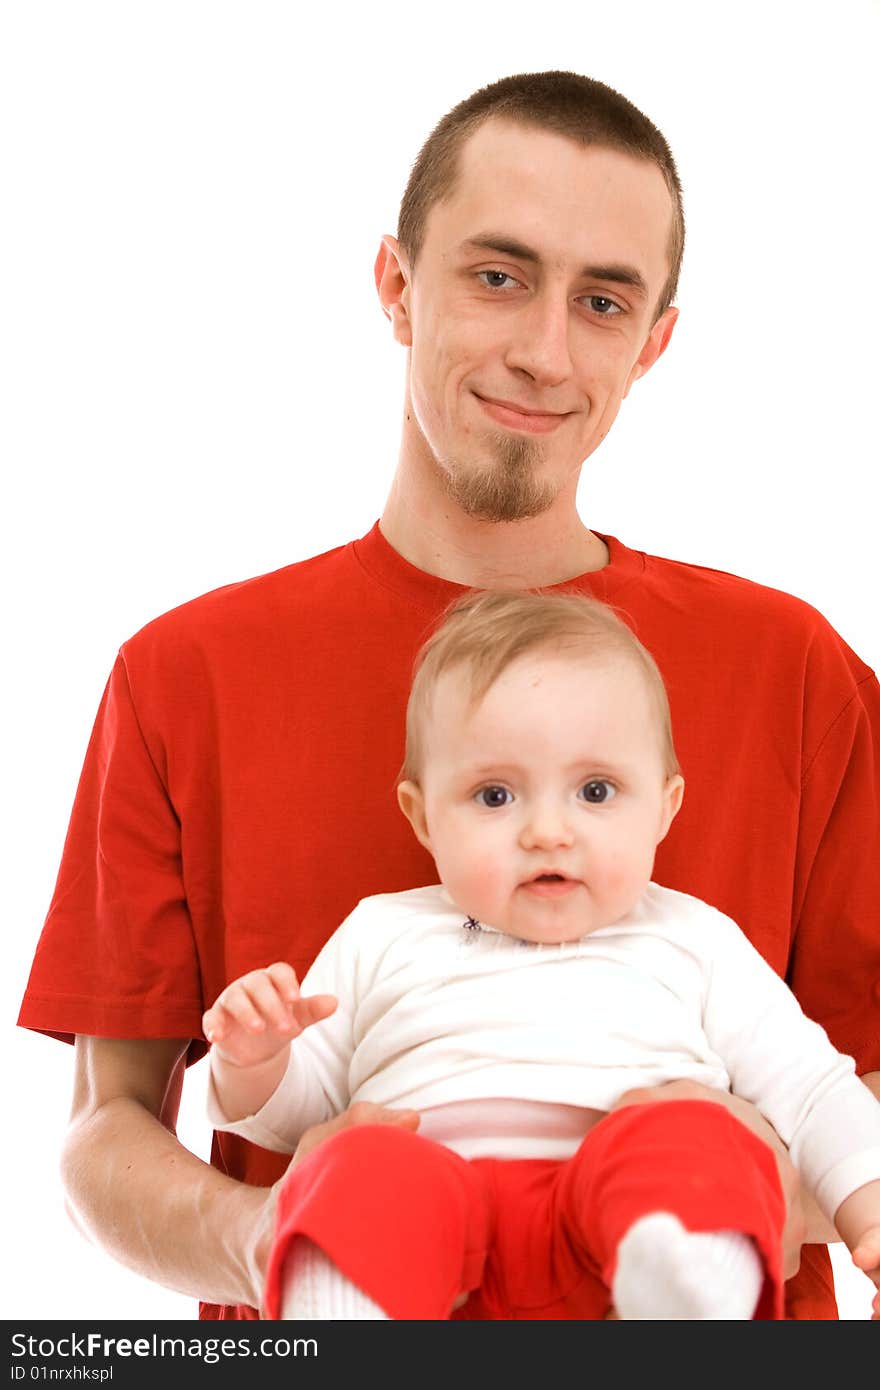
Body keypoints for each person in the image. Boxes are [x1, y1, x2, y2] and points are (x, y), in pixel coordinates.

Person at [17, 70, 880, 1321]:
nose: (542, 350)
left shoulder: (798, 671)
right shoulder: (182, 674)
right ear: (395, 284)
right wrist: (289, 1230)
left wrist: (730, 1186)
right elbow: (105, 1134)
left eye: (601, 300)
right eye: (497, 274)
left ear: (654, 342)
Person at [202, 591, 880, 1321]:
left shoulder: (697, 938)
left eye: (596, 790)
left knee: (694, 1139)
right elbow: (303, 1118)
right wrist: (256, 1060)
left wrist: (869, 1219)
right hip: (437, 1259)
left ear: (666, 806)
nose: (548, 831)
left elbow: (814, 1096)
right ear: (422, 815)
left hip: (615, 1255)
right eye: (495, 796)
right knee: (358, 1164)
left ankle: (688, 1279)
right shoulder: (381, 932)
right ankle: (347, 1305)